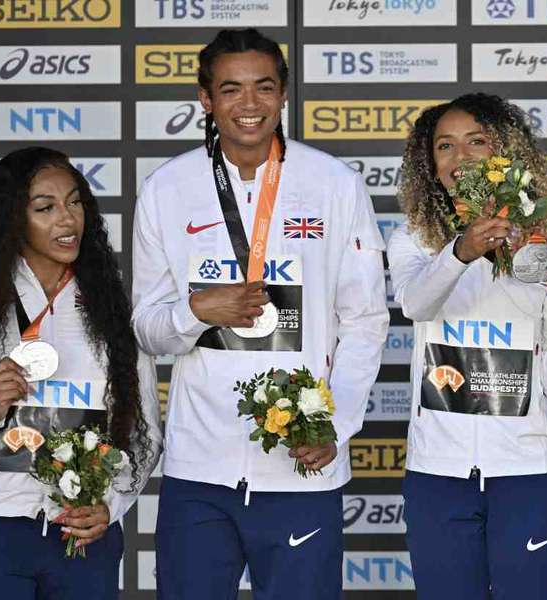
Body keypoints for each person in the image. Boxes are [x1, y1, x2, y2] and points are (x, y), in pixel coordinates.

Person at [131, 28, 388, 599]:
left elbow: (366, 320)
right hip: (200, 469)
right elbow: (146, 331)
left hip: (302, 466)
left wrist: (336, 425)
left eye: (263, 88)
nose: (249, 105)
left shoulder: (335, 184)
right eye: (231, 89)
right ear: (205, 99)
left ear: (284, 94)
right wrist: (195, 311)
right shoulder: (166, 189)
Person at [0, 147, 162, 599]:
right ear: (12, 220)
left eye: (75, 202)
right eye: (45, 208)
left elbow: (145, 434)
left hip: (83, 531)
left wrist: (110, 504)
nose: (67, 219)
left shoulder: (112, 310)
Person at [387, 93, 547, 599]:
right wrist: (463, 250)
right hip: (439, 475)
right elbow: (416, 304)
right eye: (445, 146)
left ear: (507, 152)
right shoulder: (412, 240)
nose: (461, 158)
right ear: (431, 166)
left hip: (527, 474)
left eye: (476, 142)